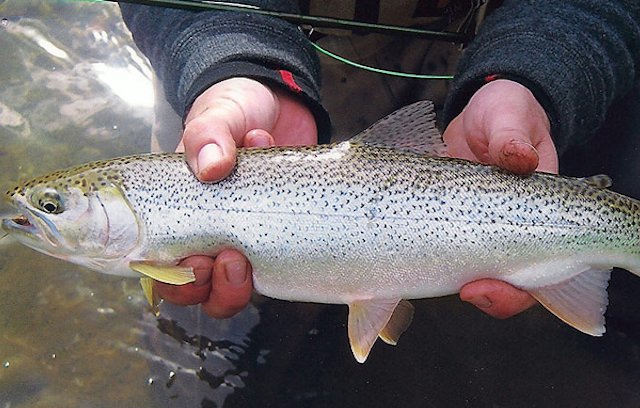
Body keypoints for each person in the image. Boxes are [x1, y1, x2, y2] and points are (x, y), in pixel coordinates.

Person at [119, 0, 640, 320]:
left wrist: (535, 74)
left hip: (509, 50)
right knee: (207, 301)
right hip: (241, 79)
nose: (37, 216)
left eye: (52, 205)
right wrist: (231, 65)